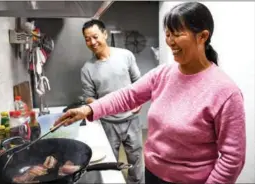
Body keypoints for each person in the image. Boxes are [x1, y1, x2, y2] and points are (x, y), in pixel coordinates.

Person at [55, 2, 246, 184]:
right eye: (168, 34)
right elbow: (127, 95)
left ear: (203, 36)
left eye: (177, 34)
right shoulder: (163, 73)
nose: (170, 41)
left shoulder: (225, 92)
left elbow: (232, 157)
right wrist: (88, 109)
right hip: (153, 174)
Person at [79, 19, 144, 184]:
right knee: (110, 164)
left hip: (131, 120)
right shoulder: (87, 68)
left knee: (136, 162)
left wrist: (139, 101)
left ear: (105, 34)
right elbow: (88, 96)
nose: (92, 42)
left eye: (95, 36)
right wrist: (97, 105)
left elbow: (138, 83)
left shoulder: (125, 55)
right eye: (87, 39)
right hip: (108, 123)